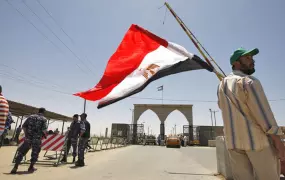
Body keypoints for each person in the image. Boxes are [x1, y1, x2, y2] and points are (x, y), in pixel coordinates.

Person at [217, 47, 285, 180]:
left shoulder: (221, 85)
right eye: (247, 58)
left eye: (252, 58)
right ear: (235, 63)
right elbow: (264, 115)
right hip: (257, 143)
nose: (252, 61)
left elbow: (221, 107)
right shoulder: (249, 82)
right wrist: (278, 142)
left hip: (234, 144)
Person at [11, 108, 48, 174]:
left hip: (28, 138)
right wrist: (44, 136)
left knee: (22, 152)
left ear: (38, 111)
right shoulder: (44, 119)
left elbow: (24, 126)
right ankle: (31, 167)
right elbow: (44, 130)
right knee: (35, 153)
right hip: (37, 139)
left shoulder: (31, 117)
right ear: (44, 112)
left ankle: (15, 167)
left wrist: (26, 134)